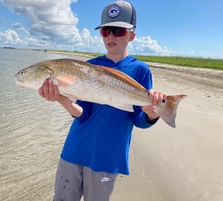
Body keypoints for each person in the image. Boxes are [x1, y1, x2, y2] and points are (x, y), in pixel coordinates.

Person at [38, 1, 166, 200]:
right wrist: (61, 99)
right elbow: (83, 113)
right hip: (74, 149)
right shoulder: (88, 66)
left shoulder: (141, 70)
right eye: (106, 31)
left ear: (132, 35)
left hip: (108, 156)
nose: (111, 36)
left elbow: (138, 119)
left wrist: (152, 113)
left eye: (118, 31)